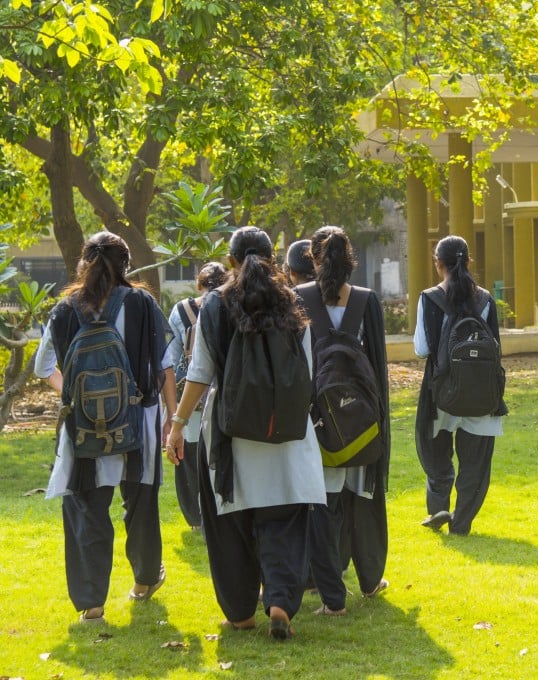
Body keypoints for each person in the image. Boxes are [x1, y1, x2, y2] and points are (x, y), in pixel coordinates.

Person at [165, 226, 326, 640]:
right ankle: (280, 602)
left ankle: (240, 613)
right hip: (286, 433)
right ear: (273, 258)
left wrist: (178, 425)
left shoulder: (215, 304)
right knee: (284, 522)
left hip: (231, 432)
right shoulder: (292, 301)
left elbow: (200, 373)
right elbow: (307, 369)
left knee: (230, 528)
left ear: (231, 261)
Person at [34, 231, 175, 624]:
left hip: (84, 429)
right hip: (139, 422)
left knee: (86, 509)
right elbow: (165, 365)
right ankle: (144, 581)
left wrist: (76, 396)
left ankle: (92, 604)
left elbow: (43, 367)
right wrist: (173, 419)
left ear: (84, 263)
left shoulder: (65, 309)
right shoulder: (142, 303)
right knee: (141, 503)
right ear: (126, 264)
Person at [298, 226, 391, 615]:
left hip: (317, 419)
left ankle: (318, 578)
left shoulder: (300, 299)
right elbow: (378, 368)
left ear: (313, 258)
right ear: (350, 258)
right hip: (361, 417)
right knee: (362, 497)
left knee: (322, 502)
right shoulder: (366, 301)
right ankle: (369, 578)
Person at [414, 235, 508, 535]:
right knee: (475, 462)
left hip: (442, 390)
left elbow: (422, 349)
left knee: (436, 455)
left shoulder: (430, 298)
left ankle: (438, 509)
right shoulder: (485, 299)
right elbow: (495, 345)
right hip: (481, 390)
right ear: (468, 262)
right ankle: (462, 521)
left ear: (438, 264)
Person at [165, 262, 228, 530]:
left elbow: (173, 359)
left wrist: (173, 410)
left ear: (198, 284)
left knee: (189, 459)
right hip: (221, 394)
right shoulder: (230, 306)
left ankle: (196, 518)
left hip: (190, 398)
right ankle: (220, 513)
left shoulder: (180, 312)